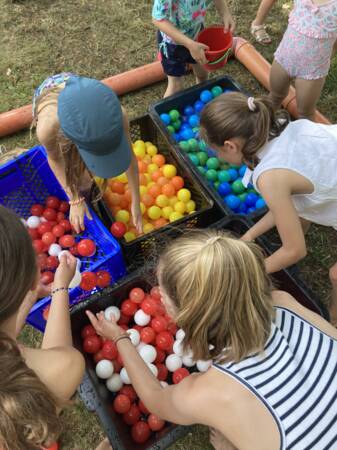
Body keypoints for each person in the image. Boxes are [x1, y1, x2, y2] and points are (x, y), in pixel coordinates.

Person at [86, 229, 337, 450]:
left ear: (191, 314)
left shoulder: (213, 392)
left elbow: (155, 399)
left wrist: (120, 337)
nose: (159, 296)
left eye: (165, 294)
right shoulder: (283, 302)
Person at [199, 91, 337, 322]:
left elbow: (295, 250)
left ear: (230, 146)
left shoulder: (271, 177)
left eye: (216, 151)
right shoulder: (278, 126)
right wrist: (249, 235)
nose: (218, 157)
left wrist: (246, 274)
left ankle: (332, 318)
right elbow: (284, 205)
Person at [33, 74, 142, 233]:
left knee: (86, 179)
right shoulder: (47, 128)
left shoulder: (118, 115)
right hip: (51, 101)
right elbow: (55, 159)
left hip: (81, 95)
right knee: (81, 180)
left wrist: (136, 201)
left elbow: (130, 157)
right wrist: (75, 199)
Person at [269, 0, 337, 120]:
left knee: (305, 113)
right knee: (274, 96)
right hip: (284, 59)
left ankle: (304, 137)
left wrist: (330, 53)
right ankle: (260, 130)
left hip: (312, 70)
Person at [152, 0, 235, 98]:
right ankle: (162, 111)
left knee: (202, 74)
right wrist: (190, 44)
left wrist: (225, 14)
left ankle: (202, 97)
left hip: (197, 34)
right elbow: (157, 19)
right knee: (176, 87)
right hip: (172, 44)